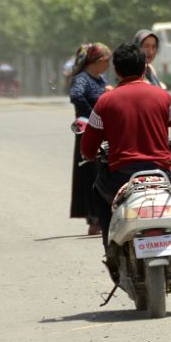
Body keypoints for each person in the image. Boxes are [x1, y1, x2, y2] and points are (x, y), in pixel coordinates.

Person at [81, 43, 171, 260]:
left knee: (98, 192)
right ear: (145, 68)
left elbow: (87, 148)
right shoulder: (164, 98)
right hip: (162, 175)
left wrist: (91, 154)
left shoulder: (104, 102)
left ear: (116, 71)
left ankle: (110, 249)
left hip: (120, 178)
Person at [69, 43, 111, 235]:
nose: (108, 65)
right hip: (88, 132)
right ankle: (94, 218)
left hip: (104, 131)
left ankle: (104, 215)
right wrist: (92, 114)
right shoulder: (82, 79)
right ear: (95, 61)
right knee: (91, 175)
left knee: (105, 172)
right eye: (105, 61)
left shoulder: (101, 79)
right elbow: (76, 96)